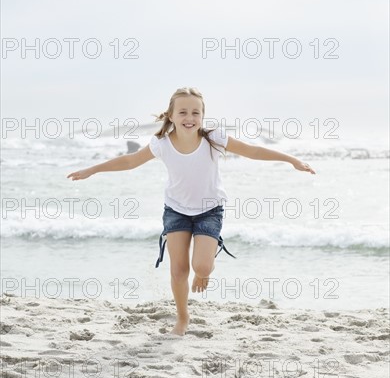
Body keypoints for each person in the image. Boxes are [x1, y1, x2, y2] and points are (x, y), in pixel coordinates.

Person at [67, 87, 315, 335]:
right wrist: (93, 169)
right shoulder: (162, 143)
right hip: (176, 211)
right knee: (178, 270)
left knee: (202, 267)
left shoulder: (214, 138)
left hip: (210, 210)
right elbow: (129, 161)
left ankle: (203, 273)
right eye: (183, 112)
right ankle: (182, 318)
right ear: (171, 116)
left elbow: (253, 150)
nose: (190, 117)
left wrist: (291, 160)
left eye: (196, 112)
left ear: (203, 116)